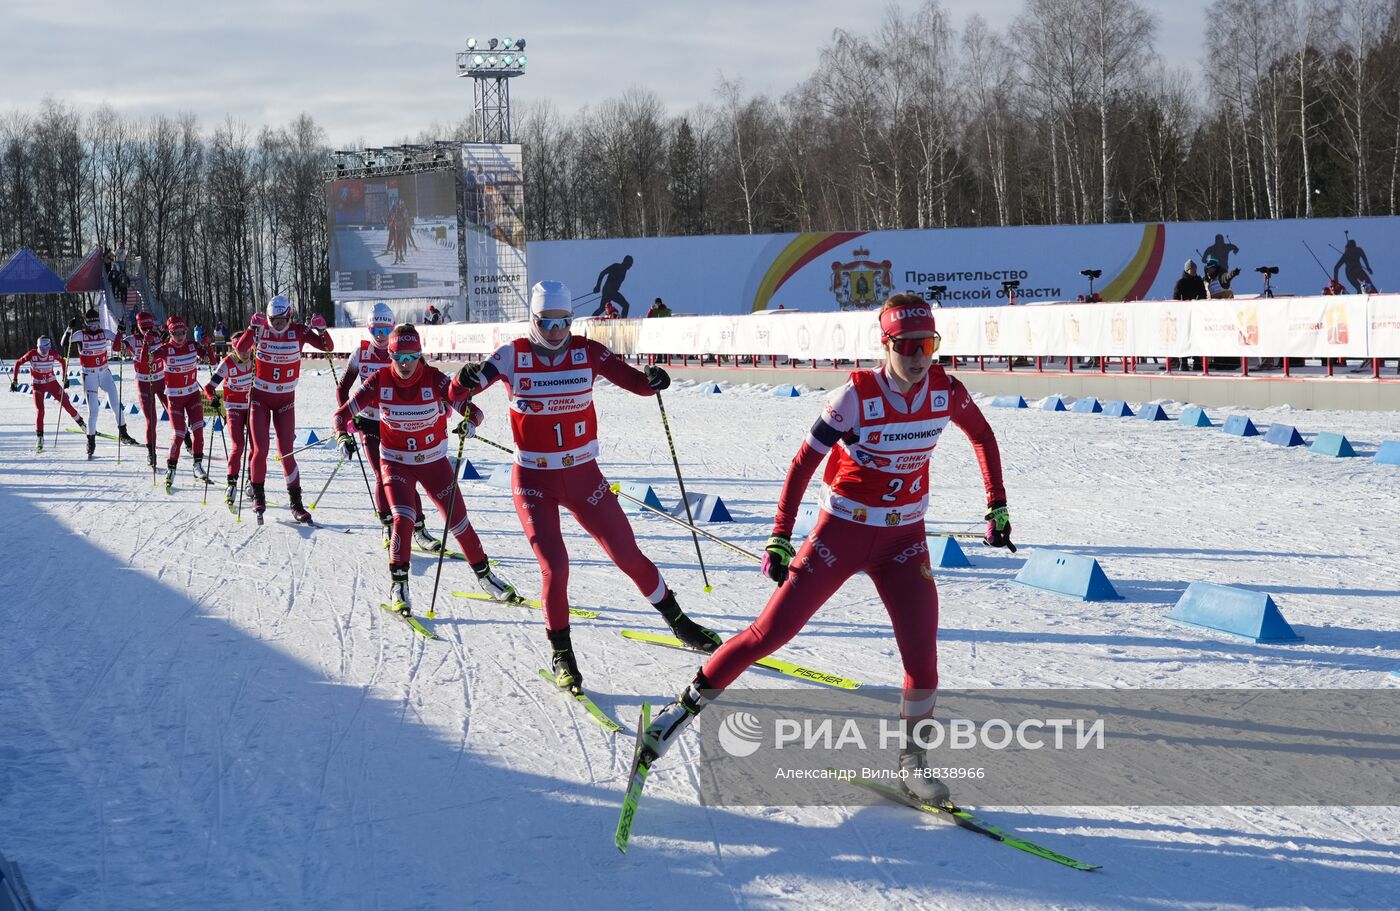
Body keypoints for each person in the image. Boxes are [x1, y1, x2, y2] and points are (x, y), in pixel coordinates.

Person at [639, 293, 1012, 806]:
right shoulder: (854, 397)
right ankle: (678, 712)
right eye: (907, 346)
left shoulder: (947, 391)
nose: (919, 356)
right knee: (768, 634)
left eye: (928, 344)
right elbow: (801, 465)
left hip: (904, 541)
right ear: (886, 345)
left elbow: (984, 437)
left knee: (923, 660)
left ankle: (914, 762)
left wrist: (997, 506)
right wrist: (780, 533)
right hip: (842, 534)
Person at [453, 281, 721, 697]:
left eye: (563, 322)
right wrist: (462, 379)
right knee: (555, 567)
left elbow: (637, 383)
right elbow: (460, 392)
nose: (557, 331)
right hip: (533, 481)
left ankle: (679, 622)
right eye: (547, 322)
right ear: (534, 320)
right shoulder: (512, 355)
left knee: (628, 554)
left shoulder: (587, 351)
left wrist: (655, 379)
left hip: (584, 476)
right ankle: (562, 653)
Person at [332, 324, 518, 618]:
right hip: (396, 462)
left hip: (434, 463)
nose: (405, 365)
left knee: (459, 523)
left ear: (421, 355)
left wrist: (469, 424)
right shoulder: (379, 380)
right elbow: (341, 415)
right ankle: (399, 585)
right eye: (398, 358)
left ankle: (486, 577)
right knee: (403, 519)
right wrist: (343, 435)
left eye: (412, 357)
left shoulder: (435, 379)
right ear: (389, 356)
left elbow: (475, 411)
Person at [336, 302, 443, 552]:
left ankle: (419, 528)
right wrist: (349, 418)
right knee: (382, 475)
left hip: (402, 424)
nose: (381, 337)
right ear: (369, 329)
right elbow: (342, 389)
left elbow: (429, 384)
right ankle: (387, 524)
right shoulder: (359, 353)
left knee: (409, 477)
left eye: (386, 330)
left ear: (393, 328)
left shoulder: (404, 351)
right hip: (371, 423)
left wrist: (442, 409)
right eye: (376, 331)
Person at [233, 294, 335, 523]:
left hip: (286, 401)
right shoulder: (261, 330)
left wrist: (322, 330)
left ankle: (296, 503)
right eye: (273, 320)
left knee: (287, 453)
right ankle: (258, 494)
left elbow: (328, 348)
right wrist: (251, 329)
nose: (276, 325)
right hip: (260, 398)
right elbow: (240, 351)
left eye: (280, 320)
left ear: (289, 315)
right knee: (261, 450)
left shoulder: (300, 331)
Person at [151, 316, 214, 491]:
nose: (180, 336)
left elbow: (212, 361)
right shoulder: (166, 349)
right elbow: (147, 361)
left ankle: (197, 466)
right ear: (170, 333)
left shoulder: (192, 345)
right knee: (179, 434)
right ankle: (171, 468)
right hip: (174, 398)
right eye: (175, 333)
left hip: (193, 395)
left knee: (199, 431)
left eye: (183, 332)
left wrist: (208, 346)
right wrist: (148, 347)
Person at [69, 308, 139, 459]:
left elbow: (118, 345)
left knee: (116, 404)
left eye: (96, 323)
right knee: (94, 411)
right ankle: (91, 442)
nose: (94, 326)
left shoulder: (105, 332)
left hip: (105, 373)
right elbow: (64, 343)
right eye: (91, 323)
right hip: (90, 376)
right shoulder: (81, 334)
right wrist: (69, 328)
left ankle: (124, 434)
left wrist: (120, 331)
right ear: (86, 323)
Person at [205, 332, 254, 508]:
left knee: (256, 446)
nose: (246, 353)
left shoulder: (255, 358)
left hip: (251, 407)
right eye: (242, 350)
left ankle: (251, 482)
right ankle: (232, 484)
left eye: (248, 348)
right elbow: (209, 387)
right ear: (234, 348)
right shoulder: (227, 363)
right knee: (238, 445)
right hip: (233, 407)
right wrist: (212, 398)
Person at [10, 336, 84, 449]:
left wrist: (65, 377)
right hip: (38, 385)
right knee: (40, 410)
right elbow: (18, 363)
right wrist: (15, 381)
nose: (45, 351)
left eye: (47, 348)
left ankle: (82, 424)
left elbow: (63, 362)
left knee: (66, 403)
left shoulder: (52, 353)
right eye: (42, 348)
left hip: (52, 383)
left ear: (49, 346)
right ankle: (40, 437)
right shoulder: (32, 354)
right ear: (38, 346)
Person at [122, 310, 172, 468]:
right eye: (144, 328)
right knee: (152, 420)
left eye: (150, 327)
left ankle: (188, 441)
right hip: (144, 383)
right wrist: (119, 333)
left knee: (174, 412)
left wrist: (167, 336)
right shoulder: (132, 340)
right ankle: (151, 453)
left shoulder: (159, 337)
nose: (147, 331)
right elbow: (117, 347)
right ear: (138, 327)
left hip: (161, 380)